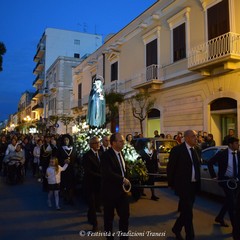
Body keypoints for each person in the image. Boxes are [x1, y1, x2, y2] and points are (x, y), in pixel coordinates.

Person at [167, 130, 201, 240]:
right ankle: (190, 236)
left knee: (186, 211)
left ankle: (176, 228)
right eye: (193, 136)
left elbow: (196, 167)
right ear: (186, 138)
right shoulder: (177, 150)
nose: (196, 138)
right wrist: (171, 184)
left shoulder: (196, 150)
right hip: (183, 186)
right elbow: (171, 168)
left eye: (196, 136)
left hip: (193, 185)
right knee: (189, 213)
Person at [208, 137, 240, 240]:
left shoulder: (238, 153)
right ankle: (236, 231)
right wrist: (213, 176)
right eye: (236, 143)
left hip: (237, 182)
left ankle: (220, 217)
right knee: (233, 206)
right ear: (230, 144)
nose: (238, 145)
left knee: (231, 201)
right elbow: (210, 163)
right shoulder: (222, 154)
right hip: (226, 181)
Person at [101, 133, 131, 240]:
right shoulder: (106, 155)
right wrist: (122, 179)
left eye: (123, 141)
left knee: (125, 216)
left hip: (122, 192)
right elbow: (108, 173)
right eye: (121, 141)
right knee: (109, 218)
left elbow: (123, 170)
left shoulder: (121, 153)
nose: (123, 143)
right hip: (110, 192)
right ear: (113, 143)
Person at [82, 136, 102, 232]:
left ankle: (89, 217)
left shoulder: (101, 154)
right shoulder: (87, 156)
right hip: (90, 184)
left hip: (99, 184)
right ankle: (95, 224)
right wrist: (101, 175)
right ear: (91, 145)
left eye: (99, 142)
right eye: (96, 143)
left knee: (94, 204)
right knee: (92, 204)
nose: (98, 144)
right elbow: (88, 171)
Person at [57, 135, 76, 205]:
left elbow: (75, 157)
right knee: (64, 183)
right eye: (65, 140)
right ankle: (65, 196)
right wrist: (63, 161)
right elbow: (58, 158)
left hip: (71, 168)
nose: (66, 141)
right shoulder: (60, 149)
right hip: (63, 169)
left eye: (67, 140)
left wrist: (72, 161)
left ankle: (71, 198)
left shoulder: (73, 148)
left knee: (71, 184)